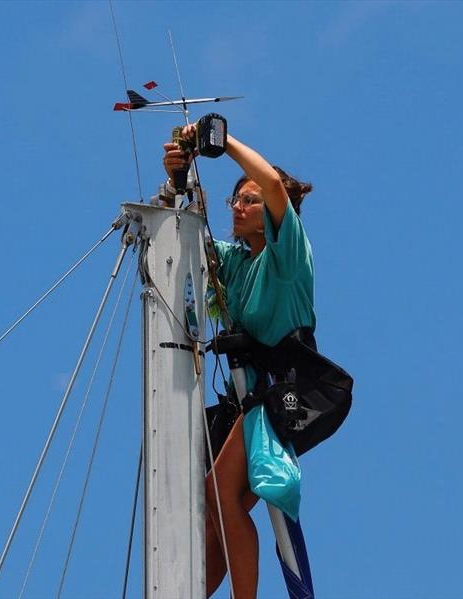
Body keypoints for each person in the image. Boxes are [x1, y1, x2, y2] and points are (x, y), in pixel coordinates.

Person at [162, 126, 318, 599]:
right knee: (214, 522)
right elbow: (187, 244)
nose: (237, 206)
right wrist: (179, 179)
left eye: (248, 201)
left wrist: (220, 141)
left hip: (277, 396)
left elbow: (271, 186)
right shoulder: (236, 261)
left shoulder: (285, 255)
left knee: (217, 493)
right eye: (235, 198)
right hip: (246, 400)